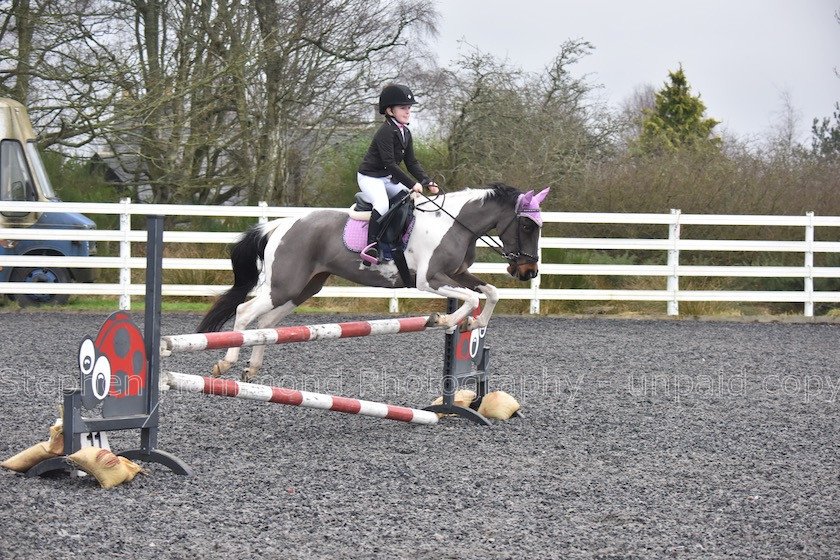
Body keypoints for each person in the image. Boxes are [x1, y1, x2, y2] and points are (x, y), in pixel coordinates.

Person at [357, 84, 438, 265]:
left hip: (386, 178)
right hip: (370, 177)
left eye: (409, 108)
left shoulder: (405, 132)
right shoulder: (385, 132)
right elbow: (390, 163)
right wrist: (412, 184)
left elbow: (411, 162)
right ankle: (371, 246)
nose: (408, 111)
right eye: (403, 108)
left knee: (410, 200)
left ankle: (397, 242)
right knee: (382, 204)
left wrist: (427, 181)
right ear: (390, 111)